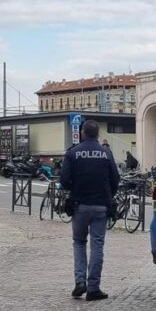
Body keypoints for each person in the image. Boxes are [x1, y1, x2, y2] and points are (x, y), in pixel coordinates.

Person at [61, 120, 120, 301]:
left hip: (80, 205)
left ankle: (80, 282)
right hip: (101, 206)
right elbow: (115, 180)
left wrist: (75, 188)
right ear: (98, 134)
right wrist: (107, 194)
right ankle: (93, 288)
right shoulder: (106, 153)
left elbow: (64, 181)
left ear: (83, 133)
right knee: (97, 245)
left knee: (79, 242)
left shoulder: (73, 153)